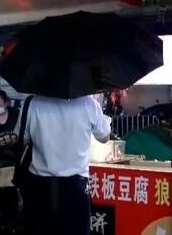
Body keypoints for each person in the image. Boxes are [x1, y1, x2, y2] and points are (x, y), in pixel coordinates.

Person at [19, 95, 111, 235]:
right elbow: (104, 137)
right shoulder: (89, 104)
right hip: (75, 187)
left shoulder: (32, 102)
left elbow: (22, 140)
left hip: (39, 187)